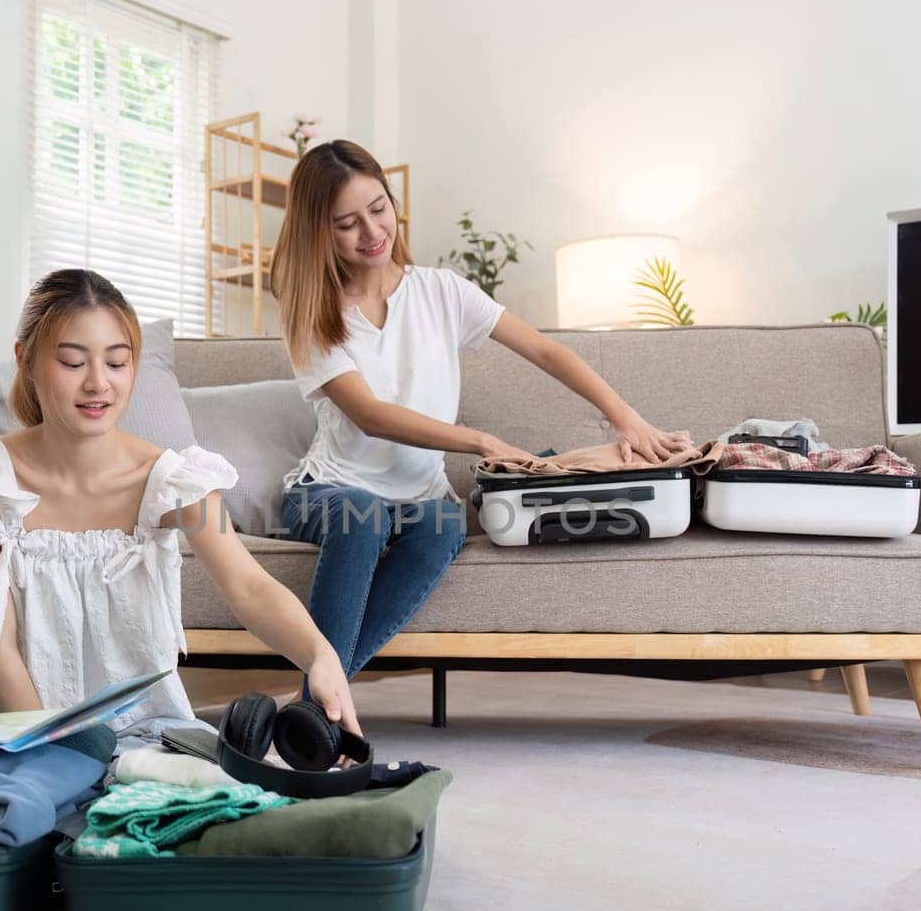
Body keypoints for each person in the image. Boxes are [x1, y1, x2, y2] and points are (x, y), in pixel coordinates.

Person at [269, 140, 691, 692]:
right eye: (347, 222)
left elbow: (545, 351)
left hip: (418, 499)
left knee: (444, 525)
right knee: (364, 515)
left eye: (378, 209)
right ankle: (322, 711)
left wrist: (623, 416)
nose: (372, 232)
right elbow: (370, 415)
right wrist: (480, 440)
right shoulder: (312, 314)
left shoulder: (442, 292)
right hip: (330, 492)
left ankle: (313, 706)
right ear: (318, 231)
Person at [0, 268, 361, 742]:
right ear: (26, 361)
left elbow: (250, 588)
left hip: (132, 716)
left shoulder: (172, 479)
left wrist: (321, 657)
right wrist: (47, 753)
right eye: (73, 363)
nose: (98, 384)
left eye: (117, 363)